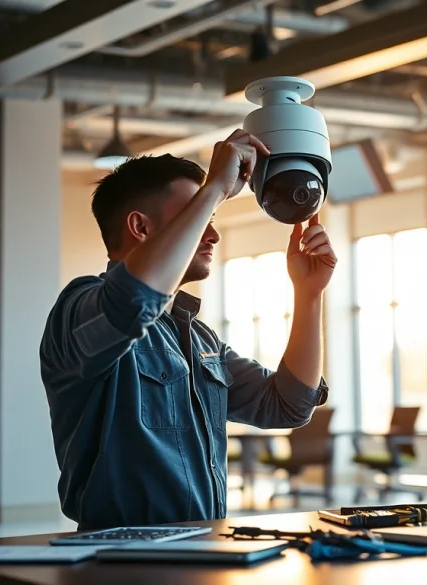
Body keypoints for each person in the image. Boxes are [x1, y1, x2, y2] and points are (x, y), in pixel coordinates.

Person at [39, 129, 335, 529]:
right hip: (119, 560)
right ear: (140, 228)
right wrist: (214, 187)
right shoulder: (78, 310)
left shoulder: (198, 338)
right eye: (197, 215)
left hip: (204, 550)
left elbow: (288, 404)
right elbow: (133, 301)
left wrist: (309, 294)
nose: (212, 234)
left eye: (210, 218)